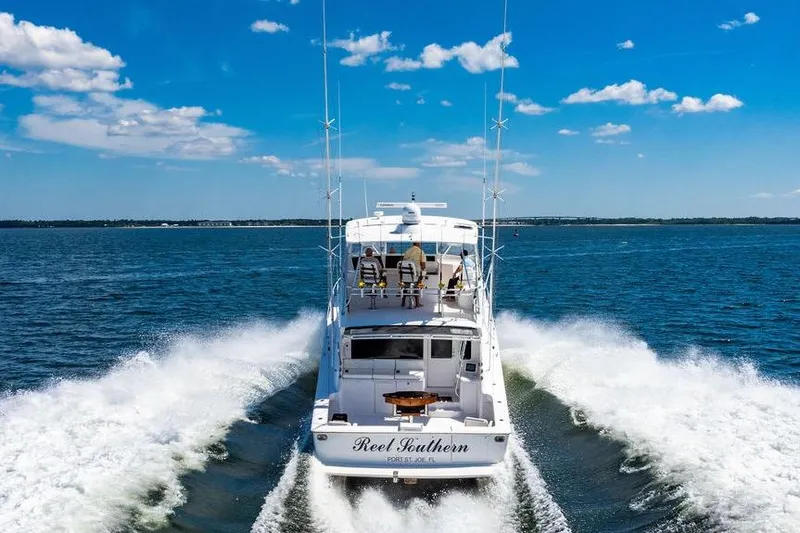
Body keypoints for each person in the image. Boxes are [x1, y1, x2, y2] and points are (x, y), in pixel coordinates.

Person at [401, 241, 426, 308]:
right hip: (415, 276)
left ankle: (403, 302)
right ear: (418, 244)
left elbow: (404, 262)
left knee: (406, 284)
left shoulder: (407, 251)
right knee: (418, 283)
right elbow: (423, 266)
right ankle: (417, 303)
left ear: (413, 244)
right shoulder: (421, 252)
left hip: (405, 275)